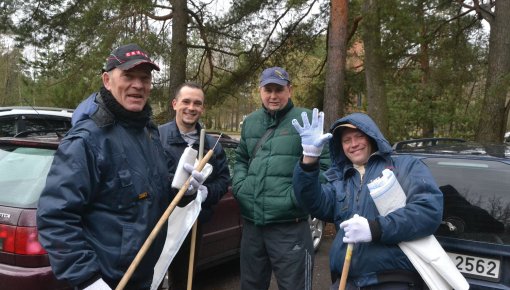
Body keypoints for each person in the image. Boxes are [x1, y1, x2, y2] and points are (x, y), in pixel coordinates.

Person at [37, 43, 205, 290]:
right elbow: (56, 218)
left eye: (145, 78)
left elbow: (153, 195)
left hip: (146, 277)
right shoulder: (86, 140)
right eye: (128, 75)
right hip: (106, 281)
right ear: (107, 80)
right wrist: (88, 280)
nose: (138, 84)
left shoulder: (148, 132)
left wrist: (183, 191)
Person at [292, 111, 444, 290]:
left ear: (371, 137)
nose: (353, 144)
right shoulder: (340, 180)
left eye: (359, 136)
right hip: (346, 281)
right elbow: (312, 202)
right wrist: (309, 159)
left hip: (393, 281)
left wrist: (376, 228)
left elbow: (428, 211)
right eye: (346, 140)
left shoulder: (404, 166)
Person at [233, 66, 330, 290]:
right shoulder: (251, 122)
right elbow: (241, 159)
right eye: (268, 90)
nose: (273, 96)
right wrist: (240, 187)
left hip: (290, 226)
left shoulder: (306, 120)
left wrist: (296, 198)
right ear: (260, 91)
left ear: (290, 90)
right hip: (253, 225)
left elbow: (326, 169)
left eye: (279, 89)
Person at [158, 81, 230, 289]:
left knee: (183, 280)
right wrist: (176, 186)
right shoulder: (156, 136)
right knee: (151, 277)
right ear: (174, 104)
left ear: (203, 108)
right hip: (160, 221)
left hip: (192, 223)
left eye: (197, 103)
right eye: (186, 101)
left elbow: (223, 180)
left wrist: (204, 193)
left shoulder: (211, 145)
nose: (191, 107)